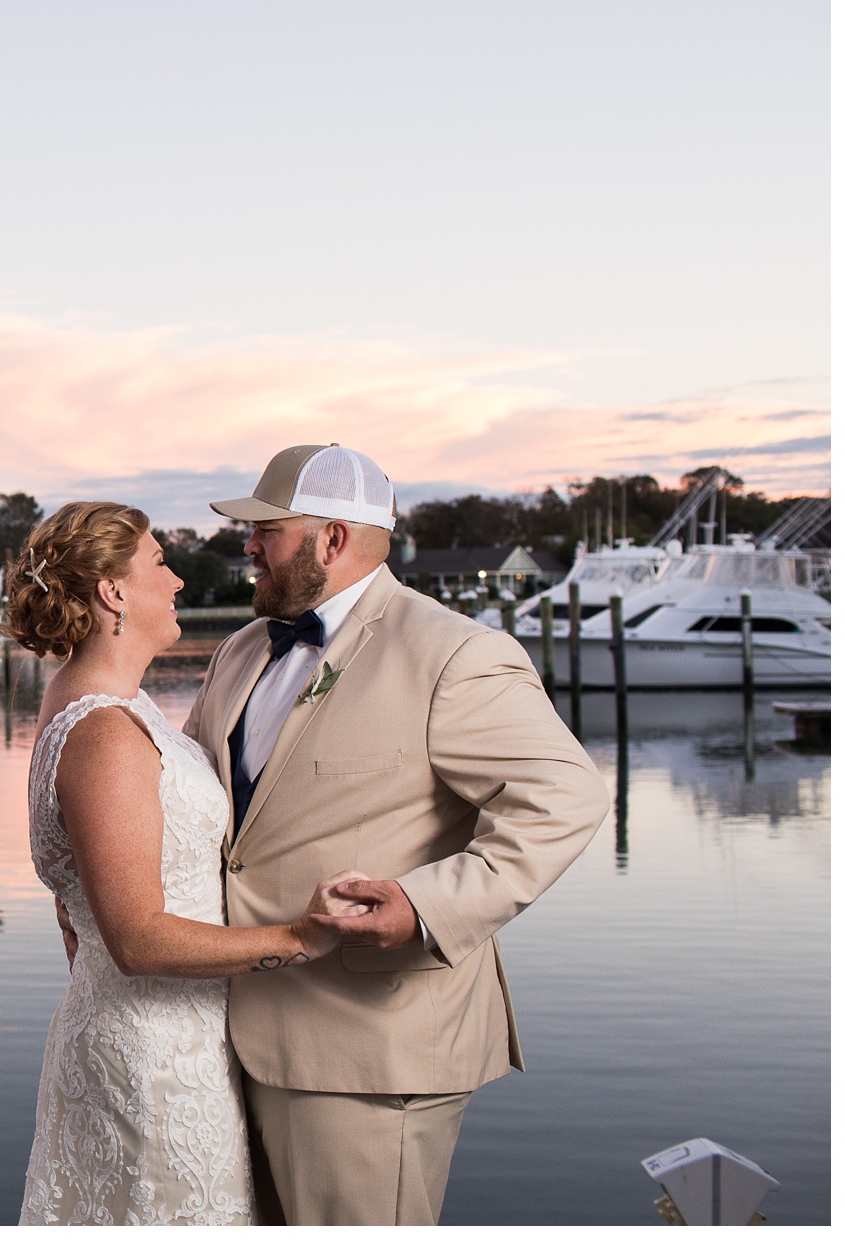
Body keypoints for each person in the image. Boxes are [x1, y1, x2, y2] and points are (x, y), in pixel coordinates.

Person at [181, 443, 609, 1225]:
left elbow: (566, 795)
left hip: (371, 1044)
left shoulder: (455, 653)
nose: (248, 546)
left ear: (333, 539)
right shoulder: (242, 651)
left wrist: (424, 904)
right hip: (228, 1036)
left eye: (266, 530)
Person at [9, 500, 367, 1226]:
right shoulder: (105, 730)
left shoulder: (101, 699)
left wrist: (80, 892)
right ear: (113, 591)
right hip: (152, 1056)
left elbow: (103, 859)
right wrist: (297, 938)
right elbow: (138, 939)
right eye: (160, 563)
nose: (176, 582)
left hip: (170, 1036)